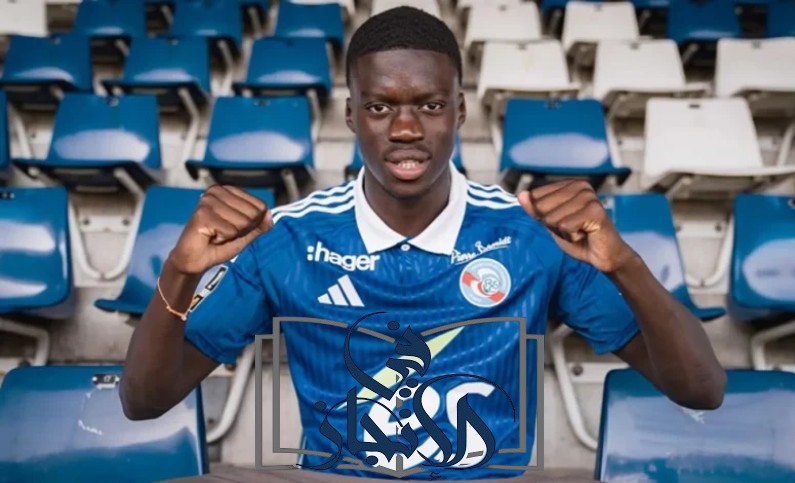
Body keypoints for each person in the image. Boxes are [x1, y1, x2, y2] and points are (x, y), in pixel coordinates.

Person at [120, 6, 726, 480]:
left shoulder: (529, 235)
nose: (406, 129)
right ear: (351, 115)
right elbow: (145, 401)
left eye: (429, 106)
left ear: (459, 112)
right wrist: (178, 271)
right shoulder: (288, 238)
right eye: (381, 107)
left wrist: (626, 266)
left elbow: (701, 389)